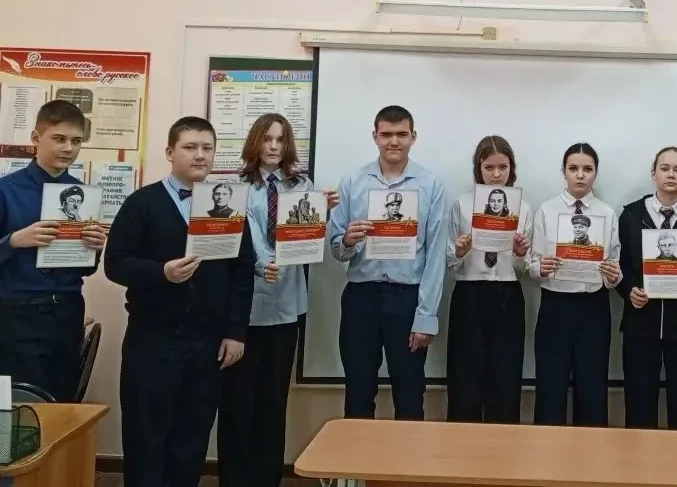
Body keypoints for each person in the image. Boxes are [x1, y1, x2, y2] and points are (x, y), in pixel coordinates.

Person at [104, 116, 255, 487]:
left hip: (207, 343)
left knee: (192, 438)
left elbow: (242, 271)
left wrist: (236, 331)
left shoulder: (229, 205)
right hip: (153, 339)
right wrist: (162, 272)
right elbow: (115, 263)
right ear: (170, 152)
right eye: (190, 147)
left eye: (207, 148)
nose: (199, 155)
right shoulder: (142, 203)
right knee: (146, 436)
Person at [216, 113, 338, 487]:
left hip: (286, 307)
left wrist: (322, 214)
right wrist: (260, 262)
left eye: (280, 140)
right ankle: (235, 480)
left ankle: (267, 479)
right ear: (255, 141)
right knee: (237, 403)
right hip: (244, 311)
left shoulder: (302, 186)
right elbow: (238, 236)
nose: (273, 146)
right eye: (266, 139)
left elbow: (306, 241)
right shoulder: (234, 186)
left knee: (272, 402)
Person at [328, 105, 447, 420]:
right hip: (361, 297)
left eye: (402, 134)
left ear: (413, 137)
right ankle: (357, 456)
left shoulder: (431, 184)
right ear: (375, 136)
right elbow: (336, 249)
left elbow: (436, 255)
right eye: (387, 134)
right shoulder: (352, 182)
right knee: (358, 391)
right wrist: (348, 241)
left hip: (407, 299)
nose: (394, 141)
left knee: (409, 395)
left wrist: (426, 316)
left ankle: (405, 456)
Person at [0, 100, 106, 402]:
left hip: (68, 312)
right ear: (36, 138)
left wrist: (94, 248)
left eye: (76, 141)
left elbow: (86, 268)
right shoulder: (6, 191)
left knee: (62, 403)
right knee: (16, 405)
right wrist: (14, 240)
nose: (68, 148)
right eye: (59, 139)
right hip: (18, 313)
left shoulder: (83, 195)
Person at [617, 146, 677, 430]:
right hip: (640, 323)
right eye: (665, 168)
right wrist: (629, 290)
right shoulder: (632, 214)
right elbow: (620, 263)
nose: (671, 174)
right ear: (654, 173)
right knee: (639, 405)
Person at [530, 142, 621, 427]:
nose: (580, 175)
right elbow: (533, 263)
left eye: (587, 169)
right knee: (550, 386)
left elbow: (615, 267)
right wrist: (539, 268)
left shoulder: (607, 213)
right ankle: (548, 450)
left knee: (592, 387)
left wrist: (613, 276)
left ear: (596, 173)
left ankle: (592, 451)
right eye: (573, 169)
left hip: (593, 307)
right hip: (555, 305)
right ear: (564, 172)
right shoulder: (546, 210)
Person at [446, 135, 533, 423]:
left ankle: (503, 446)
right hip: (469, 294)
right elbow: (449, 262)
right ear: (478, 168)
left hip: (508, 295)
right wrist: (459, 252)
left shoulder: (524, 208)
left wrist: (520, 254)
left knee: (505, 378)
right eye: (489, 167)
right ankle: (462, 443)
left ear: (511, 168)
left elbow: (524, 268)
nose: (496, 174)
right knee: (465, 378)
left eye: (503, 167)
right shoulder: (462, 205)